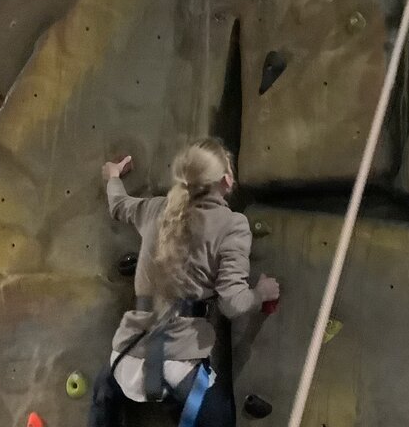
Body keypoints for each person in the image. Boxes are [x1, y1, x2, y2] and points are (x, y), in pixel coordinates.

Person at [89, 138, 280, 427]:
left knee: (103, 391)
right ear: (227, 180)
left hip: (128, 354)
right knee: (220, 417)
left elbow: (119, 206)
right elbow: (232, 304)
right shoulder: (232, 225)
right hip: (180, 362)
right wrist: (262, 292)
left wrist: (113, 177)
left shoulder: (155, 209)